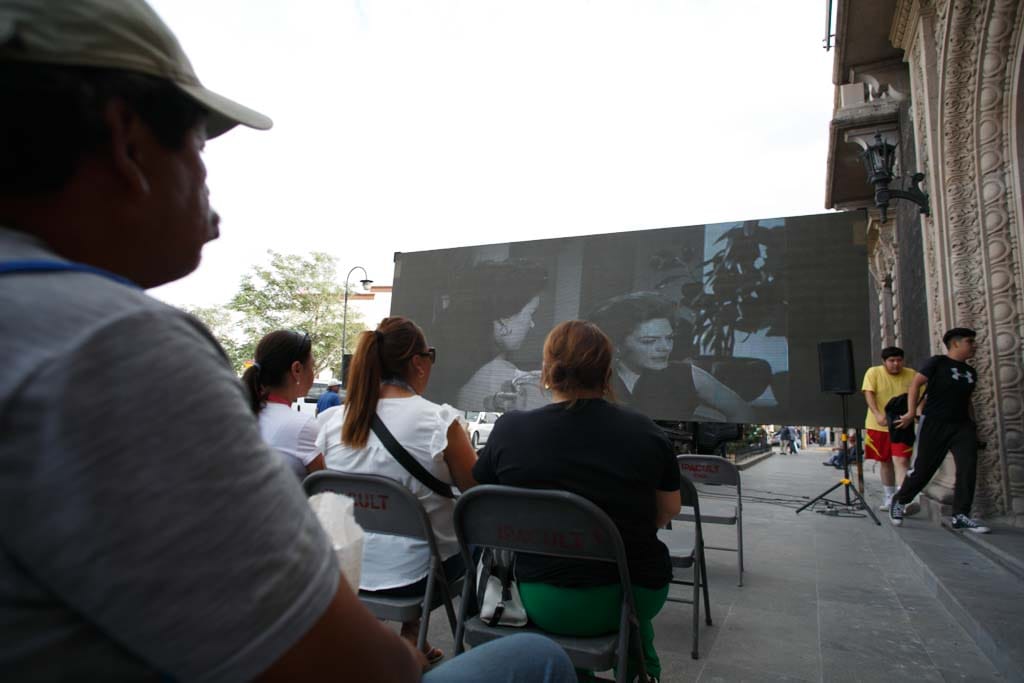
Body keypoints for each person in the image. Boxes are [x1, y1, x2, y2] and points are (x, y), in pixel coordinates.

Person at [0, 2, 576, 680]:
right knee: (535, 658)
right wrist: (407, 655)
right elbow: (340, 665)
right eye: (199, 143)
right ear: (128, 141)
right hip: (395, 605)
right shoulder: (113, 347)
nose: (208, 178)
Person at [474, 320, 681, 681]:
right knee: (634, 612)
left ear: (547, 370)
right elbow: (667, 512)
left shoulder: (511, 429)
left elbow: (484, 504)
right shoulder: (647, 432)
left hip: (544, 597)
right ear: (608, 373)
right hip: (633, 594)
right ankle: (638, 665)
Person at [318, 317, 479, 665]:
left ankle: (412, 639)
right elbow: (475, 494)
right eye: (430, 356)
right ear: (418, 363)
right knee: (470, 541)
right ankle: (477, 651)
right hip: (417, 577)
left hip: (346, 572)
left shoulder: (332, 423)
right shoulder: (440, 422)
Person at [588, 292, 755, 423]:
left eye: (669, 338)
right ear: (617, 344)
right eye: (649, 341)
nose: (665, 348)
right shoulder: (593, 377)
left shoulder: (687, 375)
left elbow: (742, 411)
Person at [890, 328, 991, 533]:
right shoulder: (937, 363)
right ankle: (900, 501)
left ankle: (960, 515)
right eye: (969, 341)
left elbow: (968, 401)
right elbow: (915, 385)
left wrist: (974, 427)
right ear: (955, 343)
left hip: (962, 425)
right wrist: (911, 413)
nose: (973, 345)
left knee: (968, 467)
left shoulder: (971, 372)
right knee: (924, 469)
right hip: (935, 423)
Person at [433, 259, 549, 411]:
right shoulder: (512, 385)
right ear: (503, 323)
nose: (531, 323)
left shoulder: (451, 372)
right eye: (530, 314)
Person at [241, 330, 326, 476]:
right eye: (312, 366)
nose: (313, 373)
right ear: (297, 369)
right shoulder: (302, 425)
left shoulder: (241, 414)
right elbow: (328, 487)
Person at [861, 347, 919, 512]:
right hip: (878, 425)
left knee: (902, 460)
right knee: (885, 461)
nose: (895, 364)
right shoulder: (873, 373)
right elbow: (869, 393)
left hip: (903, 425)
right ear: (884, 362)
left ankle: (902, 500)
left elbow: (921, 396)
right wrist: (878, 415)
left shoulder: (912, 374)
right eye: (891, 361)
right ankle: (889, 497)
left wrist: (912, 414)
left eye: (899, 360)